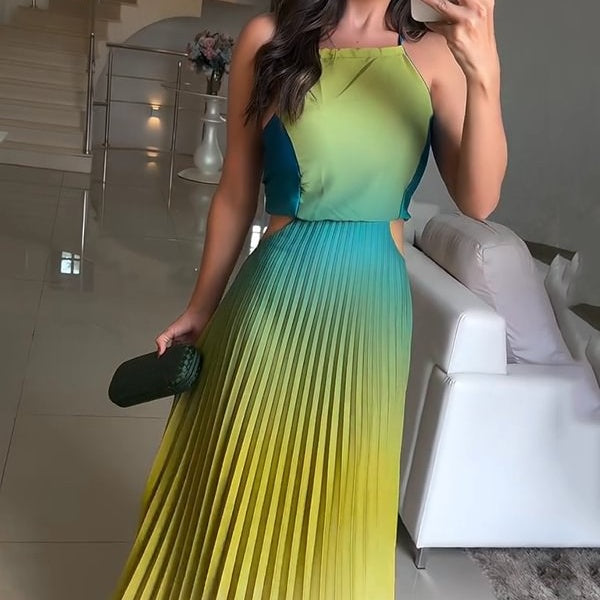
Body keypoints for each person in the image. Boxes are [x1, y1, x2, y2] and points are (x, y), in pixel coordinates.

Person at [111, 0, 507, 597]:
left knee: (339, 505)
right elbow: (235, 190)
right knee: (243, 492)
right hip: (273, 302)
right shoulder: (268, 37)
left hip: (372, 317)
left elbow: (479, 200)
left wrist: (485, 74)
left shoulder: (436, 53)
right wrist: (201, 306)